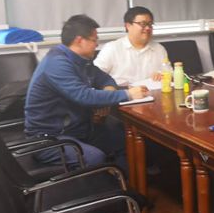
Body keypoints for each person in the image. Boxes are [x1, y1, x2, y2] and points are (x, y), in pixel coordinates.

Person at [25, 14, 148, 170]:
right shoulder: (56, 63)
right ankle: (107, 184)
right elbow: (83, 96)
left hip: (79, 129)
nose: (97, 44)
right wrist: (128, 94)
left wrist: (108, 93)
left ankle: (126, 183)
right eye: (94, 40)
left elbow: (105, 79)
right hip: (50, 138)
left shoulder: (81, 60)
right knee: (95, 157)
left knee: (126, 140)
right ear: (79, 40)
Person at [94, 6, 168, 86]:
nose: (147, 28)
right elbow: (94, 77)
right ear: (128, 26)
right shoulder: (112, 48)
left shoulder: (159, 49)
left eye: (150, 24)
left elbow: (169, 73)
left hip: (154, 92)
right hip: (122, 92)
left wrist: (162, 75)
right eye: (143, 24)